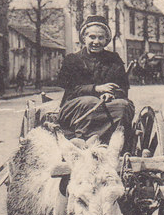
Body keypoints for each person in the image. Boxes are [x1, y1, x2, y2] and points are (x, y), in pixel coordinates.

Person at [57, 15, 135, 146]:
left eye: (101, 37)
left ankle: (102, 139)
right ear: (84, 38)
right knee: (91, 101)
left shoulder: (114, 60)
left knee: (124, 106)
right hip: (75, 108)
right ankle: (83, 138)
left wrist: (112, 94)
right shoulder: (72, 60)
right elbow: (70, 89)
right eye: (92, 37)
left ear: (106, 40)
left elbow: (122, 88)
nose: (96, 42)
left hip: (107, 105)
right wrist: (95, 89)